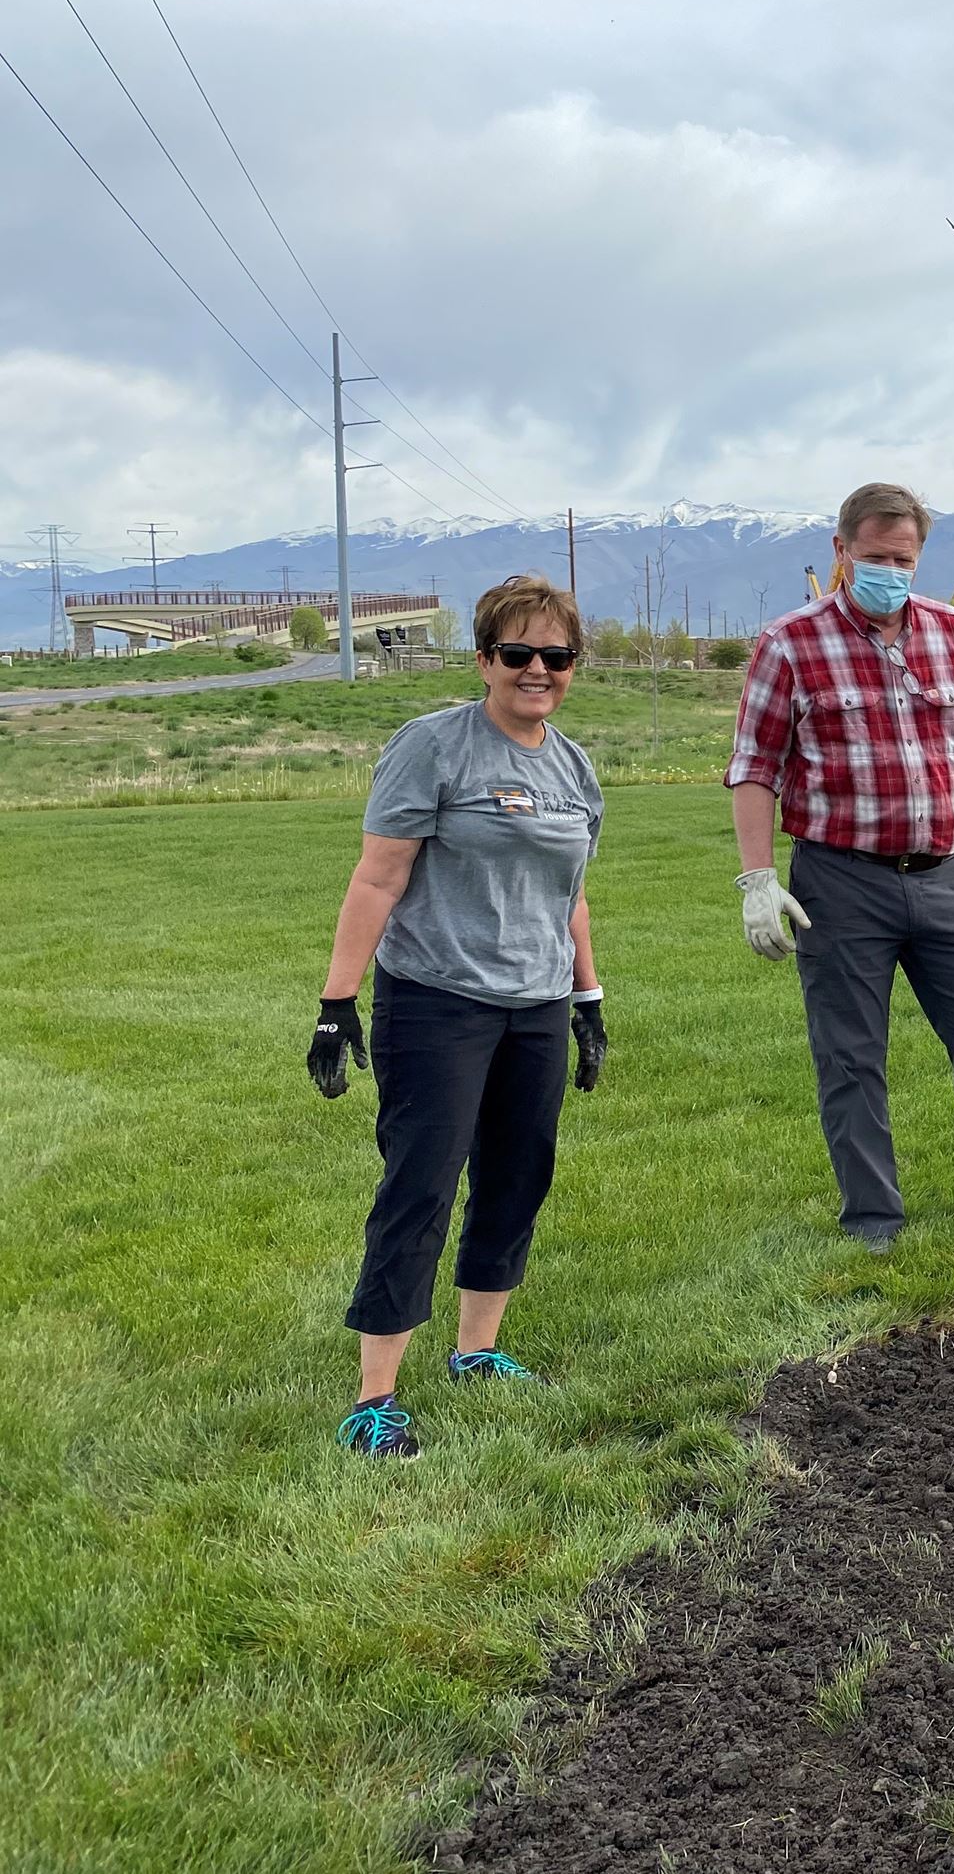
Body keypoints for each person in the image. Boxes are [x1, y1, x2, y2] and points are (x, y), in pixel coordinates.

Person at [725, 481, 954, 1249]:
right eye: (876, 557)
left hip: (947, 876)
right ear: (840, 551)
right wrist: (758, 880)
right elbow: (756, 768)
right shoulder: (791, 644)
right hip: (840, 880)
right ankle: (874, 1218)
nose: (891, 571)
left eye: (905, 559)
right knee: (851, 1056)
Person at [308, 574, 608, 1460]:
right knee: (421, 1185)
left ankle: (477, 1351)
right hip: (437, 1001)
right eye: (518, 654)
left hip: (536, 1004)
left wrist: (586, 999)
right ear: (484, 659)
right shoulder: (433, 747)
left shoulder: (573, 767)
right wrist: (336, 1002)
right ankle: (375, 1398)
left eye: (555, 656)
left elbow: (571, 894)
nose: (536, 670)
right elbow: (377, 877)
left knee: (517, 1178)